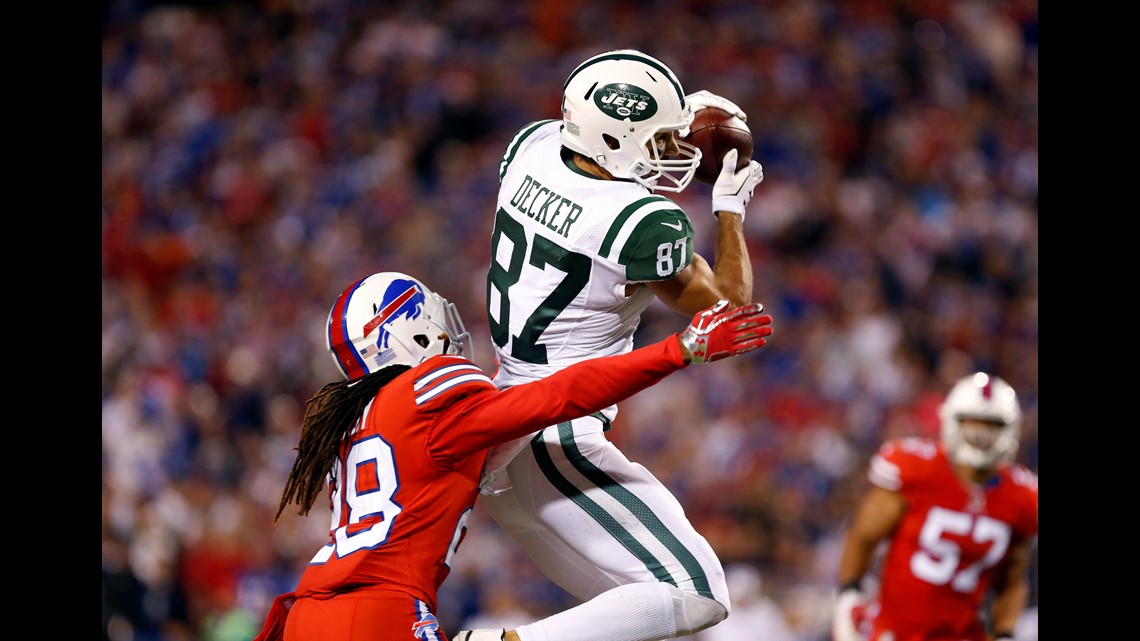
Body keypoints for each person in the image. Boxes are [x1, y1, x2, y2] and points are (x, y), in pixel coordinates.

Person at [250, 271, 774, 641]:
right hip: (381, 615)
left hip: (307, 617)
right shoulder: (427, 389)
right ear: (408, 331)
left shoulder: (353, 423)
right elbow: (552, 398)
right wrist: (679, 349)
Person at [460, 49, 766, 641]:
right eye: (658, 140)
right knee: (697, 594)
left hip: (503, 421)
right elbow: (727, 302)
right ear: (614, 142)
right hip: (555, 433)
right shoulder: (636, 219)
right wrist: (729, 207)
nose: (673, 152)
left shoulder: (535, 145)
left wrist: (676, 115)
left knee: (667, 626)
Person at [831, 372, 1039, 641]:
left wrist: (1004, 632)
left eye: (992, 425)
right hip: (893, 633)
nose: (980, 435)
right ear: (952, 421)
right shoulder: (917, 470)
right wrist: (849, 593)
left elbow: (1013, 578)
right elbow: (863, 536)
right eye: (971, 423)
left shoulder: (1021, 496)